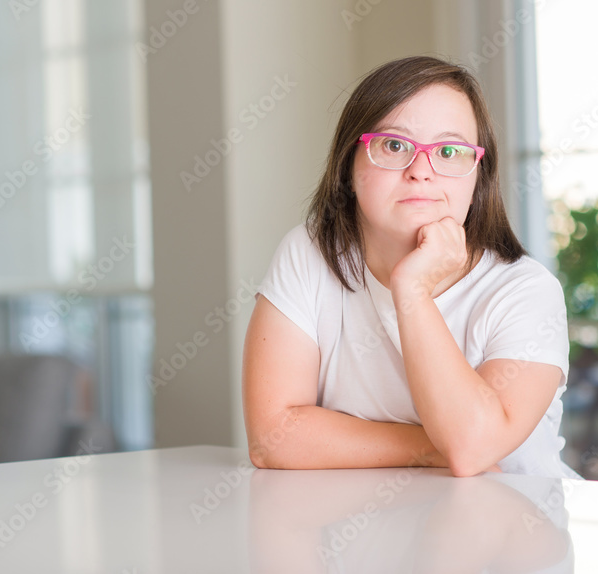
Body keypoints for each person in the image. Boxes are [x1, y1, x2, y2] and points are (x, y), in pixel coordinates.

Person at [242, 55, 580, 479]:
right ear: (349, 165)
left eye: (450, 151)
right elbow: (272, 436)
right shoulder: (308, 254)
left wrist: (413, 291)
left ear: (478, 178)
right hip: (379, 534)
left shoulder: (527, 291)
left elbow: (472, 447)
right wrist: (431, 449)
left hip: (515, 530)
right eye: (394, 145)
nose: (421, 171)